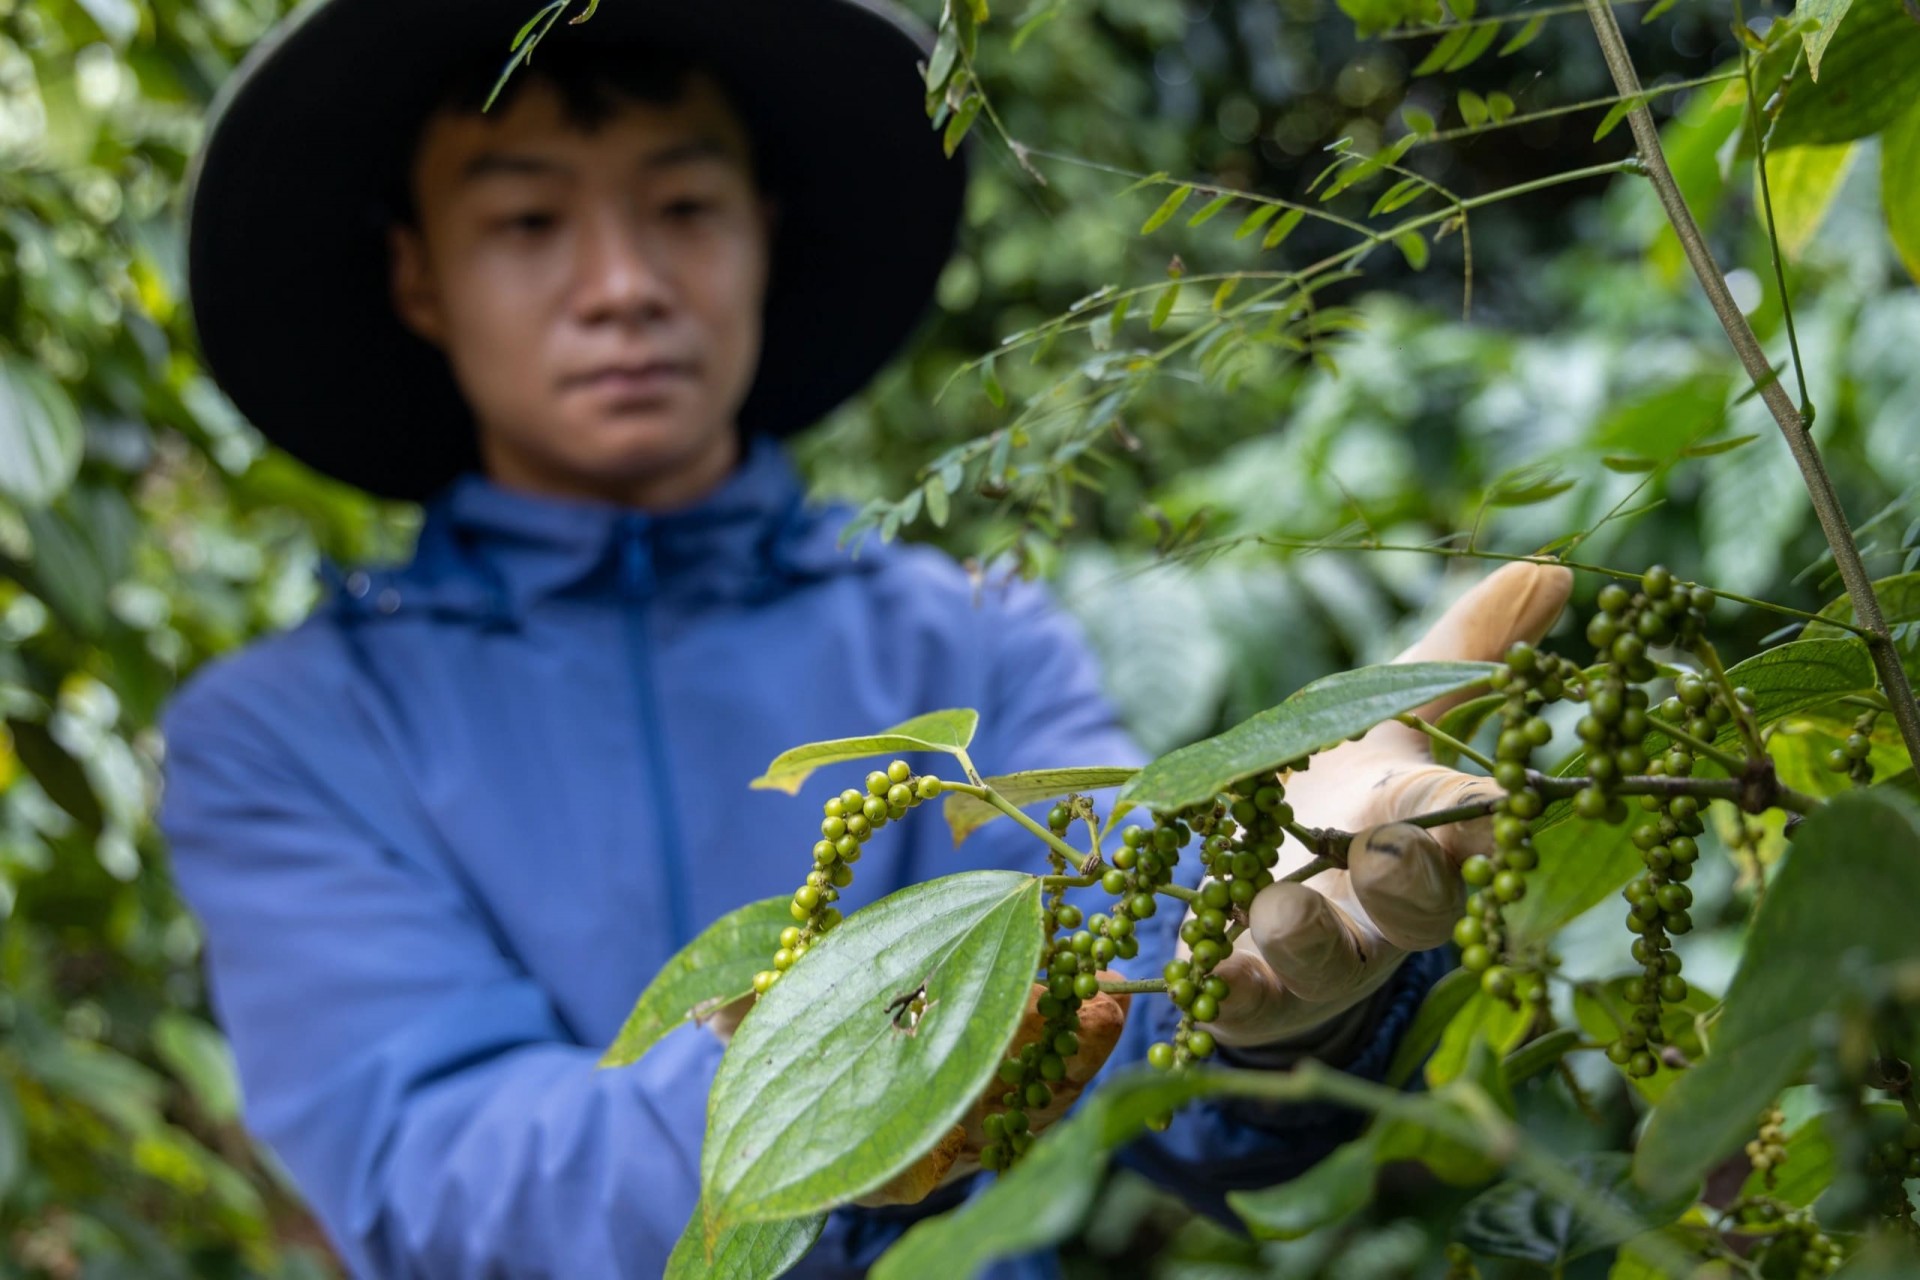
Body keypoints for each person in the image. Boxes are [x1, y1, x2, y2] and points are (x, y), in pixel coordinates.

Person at [156, 0, 1573, 1275]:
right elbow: (451, 1185)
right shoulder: (288, 731)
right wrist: (878, 1073)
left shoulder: (967, 646)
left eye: (684, 207)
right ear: (418, 276)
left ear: (763, 228)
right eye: (527, 223)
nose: (623, 285)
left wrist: (1256, 980)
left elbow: (1127, 994)